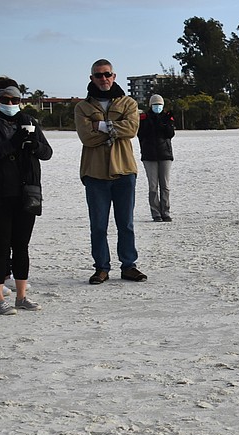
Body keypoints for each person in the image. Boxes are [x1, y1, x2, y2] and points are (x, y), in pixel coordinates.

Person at [74, 59, 146, 285]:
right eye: (98, 75)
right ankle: (101, 268)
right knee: (98, 225)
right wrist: (114, 129)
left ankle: (129, 266)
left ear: (114, 76)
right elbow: (86, 137)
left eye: (107, 74)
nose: (103, 78)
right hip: (95, 174)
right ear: (92, 78)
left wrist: (100, 126)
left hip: (124, 171)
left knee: (126, 223)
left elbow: (131, 129)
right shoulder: (82, 107)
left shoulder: (129, 103)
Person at [0, 77, 52, 315]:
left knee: (21, 245)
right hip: (1, 192)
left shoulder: (28, 121)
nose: (10, 103)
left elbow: (47, 152)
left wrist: (34, 145)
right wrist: (14, 143)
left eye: (15, 99)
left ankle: (21, 296)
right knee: (0, 246)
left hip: (27, 191)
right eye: (5, 99)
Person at [137, 94, 176, 222]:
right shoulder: (144, 118)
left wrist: (164, 123)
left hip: (165, 155)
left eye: (159, 105)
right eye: (155, 105)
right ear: (150, 105)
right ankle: (156, 213)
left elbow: (170, 134)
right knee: (153, 186)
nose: (157, 107)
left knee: (165, 186)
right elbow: (140, 134)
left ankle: (166, 212)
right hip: (149, 156)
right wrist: (149, 123)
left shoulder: (167, 117)